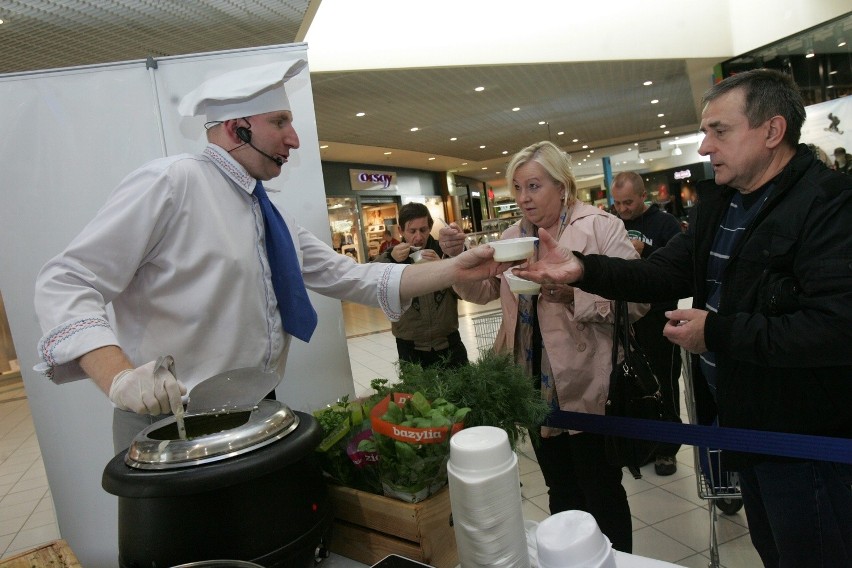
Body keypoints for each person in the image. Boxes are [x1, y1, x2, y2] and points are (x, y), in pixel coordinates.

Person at [33, 60, 516, 454]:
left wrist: (456, 268)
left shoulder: (265, 211)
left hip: (254, 412)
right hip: (170, 427)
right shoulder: (172, 183)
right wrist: (118, 376)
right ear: (236, 128)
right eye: (280, 123)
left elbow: (353, 278)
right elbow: (67, 280)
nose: (294, 139)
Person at [516, 69, 852, 567]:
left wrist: (714, 332)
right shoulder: (724, 204)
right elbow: (657, 274)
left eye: (719, 131)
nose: (703, 146)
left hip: (805, 438)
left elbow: (835, 329)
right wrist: (583, 268)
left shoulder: (828, 205)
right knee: (775, 551)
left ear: (772, 131)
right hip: (743, 423)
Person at [440, 140, 646, 553]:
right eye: (516, 188)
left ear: (562, 185)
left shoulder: (600, 226)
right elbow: (481, 291)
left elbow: (638, 299)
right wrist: (458, 259)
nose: (523, 198)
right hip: (532, 383)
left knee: (600, 487)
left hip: (589, 381)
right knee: (559, 485)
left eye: (533, 186)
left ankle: (614, 562)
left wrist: (574, 296)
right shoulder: (514, 236)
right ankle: (564, 558)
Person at [610, 171, 684, 476]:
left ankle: (668, 448)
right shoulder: (611, 225)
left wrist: (648, 253)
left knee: (664, 382)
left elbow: (680, 270)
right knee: (632, 383)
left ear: (643, 196)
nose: (623, 209)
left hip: (660, 318)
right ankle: (644, 444)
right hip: (626, 320)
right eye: (618, 203)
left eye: (628, 202)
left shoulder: (665, 224)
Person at [373, 203, 468, 368]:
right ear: (401, 231)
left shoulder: (444, 251)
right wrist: (390, 258)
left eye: (423, 230)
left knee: (461, 391)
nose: (418, 237)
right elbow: (373, 284)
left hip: (448, 340)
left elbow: (465, 292)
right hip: (409, 344)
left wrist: (443, 268)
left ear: (430, 227)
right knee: (416, 394)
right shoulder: (391, 258)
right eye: (412, 231)